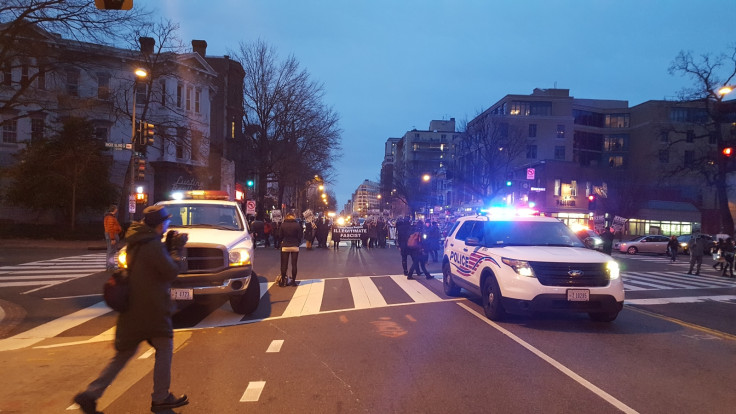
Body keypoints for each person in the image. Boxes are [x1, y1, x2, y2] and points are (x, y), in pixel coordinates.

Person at [74, 205, 189, 414]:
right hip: (151, 310)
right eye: (166, 223)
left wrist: (166, 246)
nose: (167, 227)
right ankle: (161, 397)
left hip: (132, 311)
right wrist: (175, 250)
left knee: (123, 355)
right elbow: (171, 271)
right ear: (159, 224)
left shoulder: (137, 241)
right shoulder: (152, 245)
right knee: (165, 349)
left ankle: (91, 394)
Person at [278, 211, 303, 286]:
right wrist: (297, 242)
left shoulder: (283, 225)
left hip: (285, 245)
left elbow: (280, 236)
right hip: (294, 245)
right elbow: (300, 236)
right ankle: (293, 281)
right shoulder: (297, 225)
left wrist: (281, 242)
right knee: (294, 264)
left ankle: (282, 281)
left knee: (284, 264)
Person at [104, 205, 123, 270]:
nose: (117, 210)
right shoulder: (110, 218)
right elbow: (110, 228)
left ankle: (109, 265)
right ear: (114, 209)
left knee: (111, 250)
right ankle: (110, 266)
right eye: (116, 209)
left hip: (111, 234)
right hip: (112, 234)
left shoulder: (109, 217)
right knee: (111, 251)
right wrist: (112, 238)